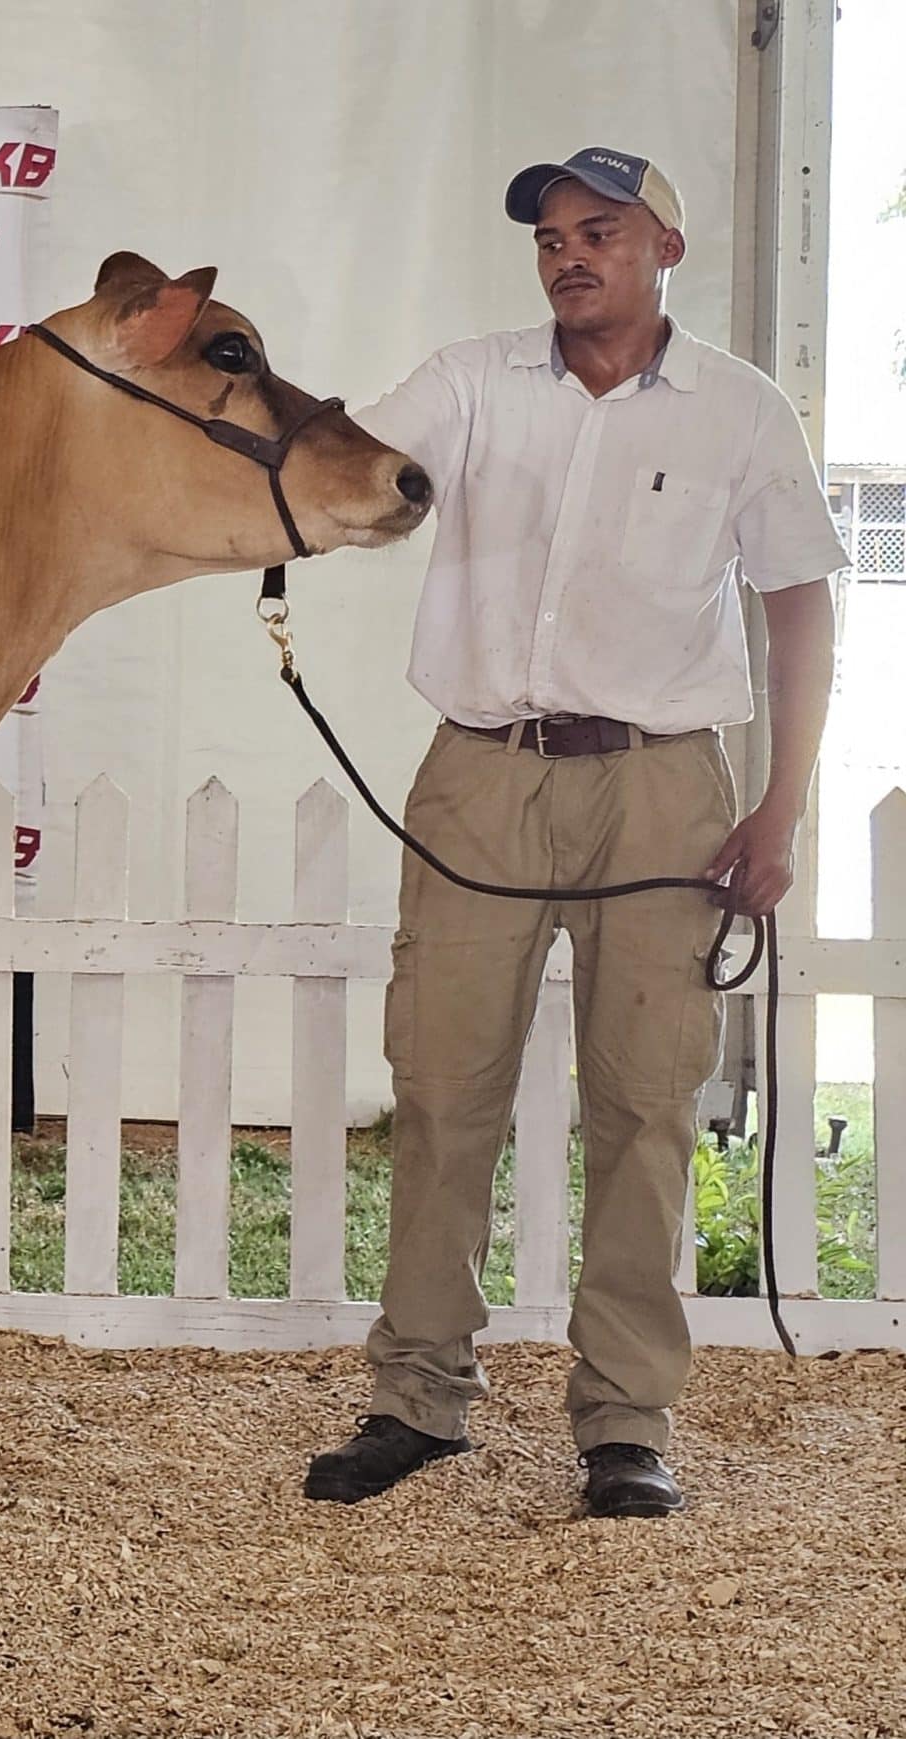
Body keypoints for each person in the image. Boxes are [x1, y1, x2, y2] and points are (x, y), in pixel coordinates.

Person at [306, 147, 847, 1517]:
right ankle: (418, 1398)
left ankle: (626, 1424)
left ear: (668, 246)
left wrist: (781, 804)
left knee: (649, 1105)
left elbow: (798, 607)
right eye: (550, 236)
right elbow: (348, 477)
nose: (567, 255)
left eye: (598, 231)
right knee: (438, 1093)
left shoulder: (741, 411)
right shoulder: (471, 381)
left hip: (668, 783)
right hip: (483, 769)